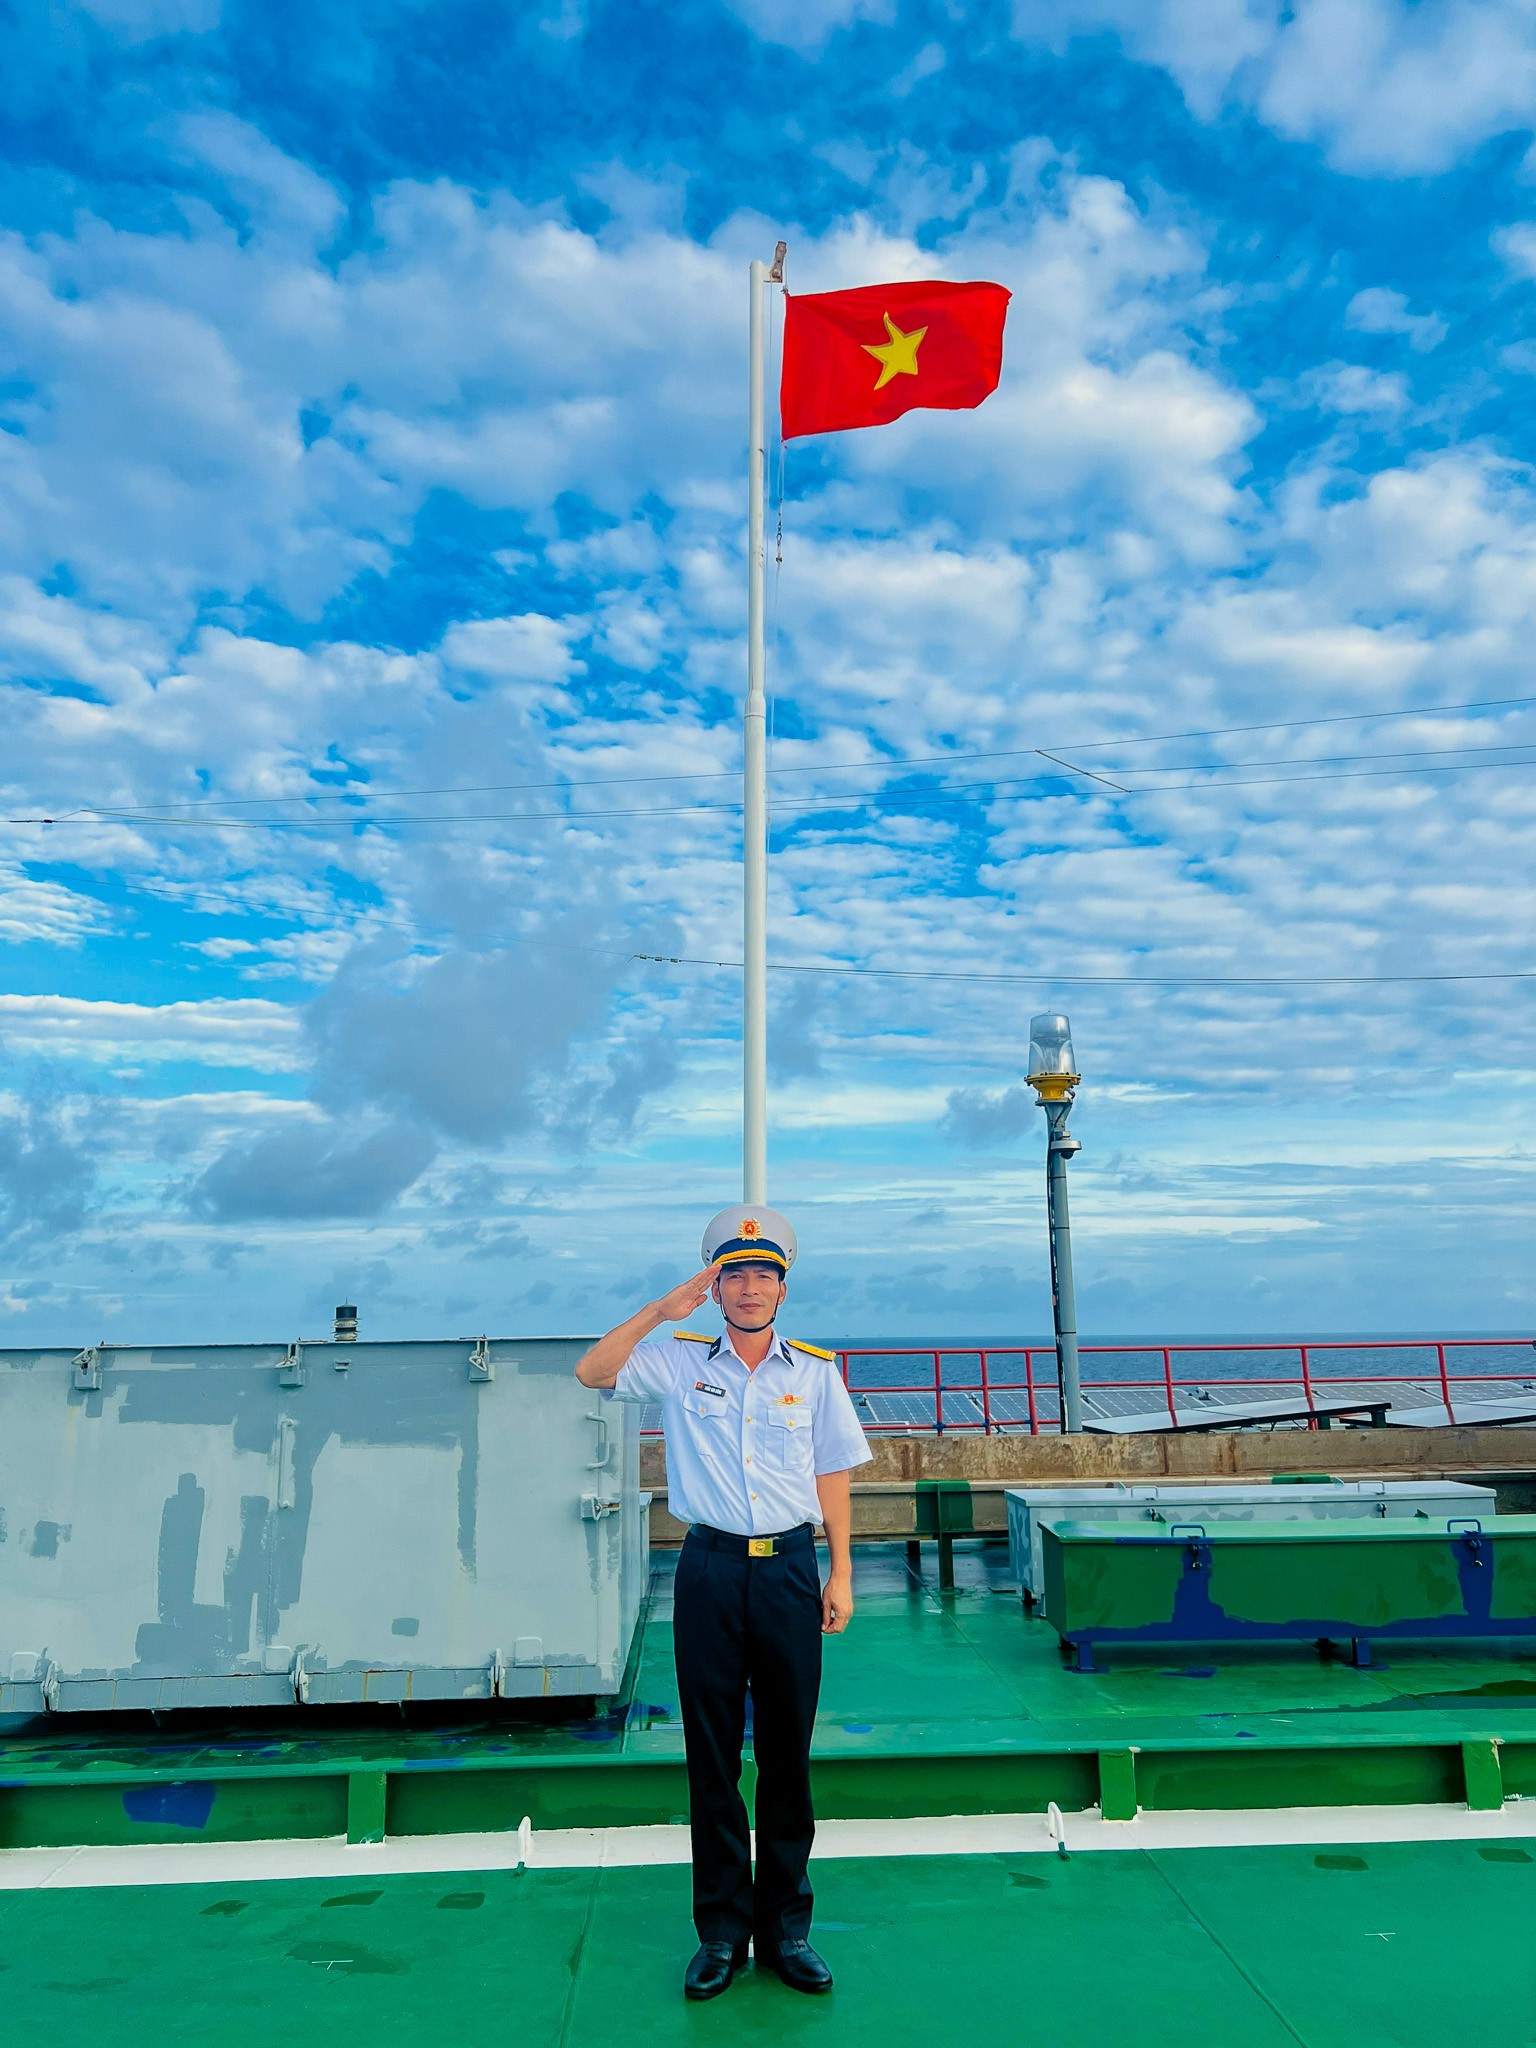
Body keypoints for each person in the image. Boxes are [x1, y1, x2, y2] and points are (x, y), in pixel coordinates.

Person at [576, 1204, 872, 2000]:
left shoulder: (814, 1373)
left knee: (786, 1754)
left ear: (783, 1288)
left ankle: (786, 1931)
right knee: (711, 1758)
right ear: (714, 1288)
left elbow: (832, 1474)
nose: (749, 1288)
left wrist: (841, 1572)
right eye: (734, 1275)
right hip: (708, 1569)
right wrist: (658, 1311)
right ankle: (720, 1934)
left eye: (763, 1275)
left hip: (788, 1571)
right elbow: (593, 1373)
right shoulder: (678, 1362)